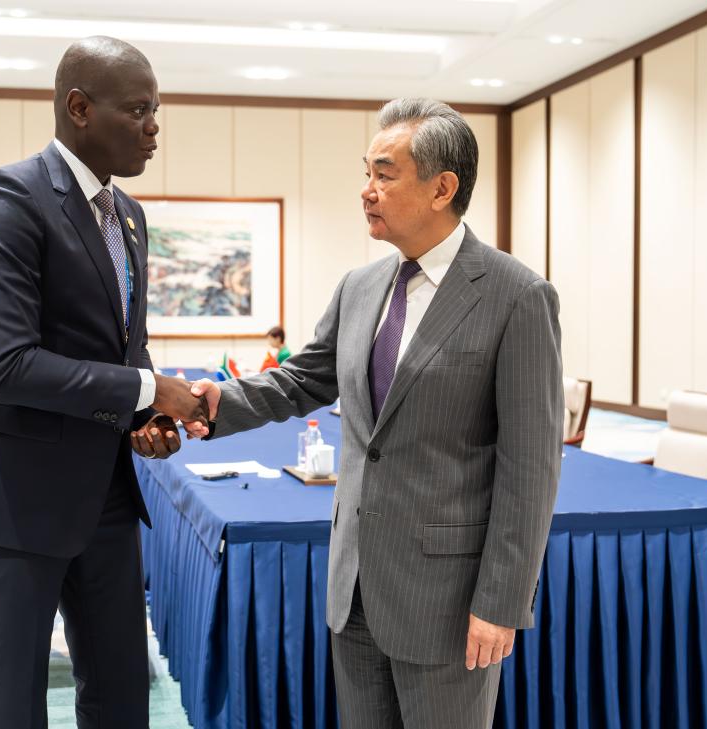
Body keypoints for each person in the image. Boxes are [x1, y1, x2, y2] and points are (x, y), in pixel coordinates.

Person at [187, 98, 563, 728]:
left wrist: (501, 602)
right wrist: (221, 402)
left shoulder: (516, 296)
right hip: (354, 585)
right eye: (367, 173)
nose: (367, 191)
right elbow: (305, 378)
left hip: (447, 599)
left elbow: (530, 469)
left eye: (385, 175)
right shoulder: (360, 287)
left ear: (442, 188)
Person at [0, 36, 208, 729]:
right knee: (16, 701)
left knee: (121, 694)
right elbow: (8, 366)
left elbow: (123, 347)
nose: (154, 127)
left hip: (106, 492)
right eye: (138, 110)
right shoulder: (10, 197)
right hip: (17, 492)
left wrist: (147, 418)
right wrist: (149, 390)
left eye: (157, 111)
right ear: (79, 108)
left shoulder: (130, 216)